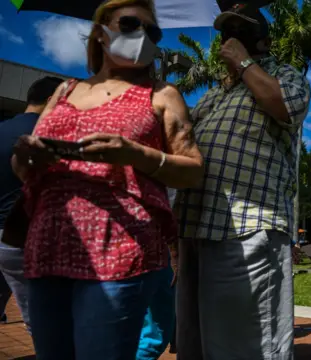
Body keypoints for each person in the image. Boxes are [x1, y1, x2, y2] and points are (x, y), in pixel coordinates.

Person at [10, 0, 204, 358]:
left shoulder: (161, 95)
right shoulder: (65, 90)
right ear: (101, 33)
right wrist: (26, 158)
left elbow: (193, 169)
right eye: (131, 24)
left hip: (117, 249)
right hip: (48, 246)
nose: (143, 36)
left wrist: (136, 154)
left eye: (153, 31)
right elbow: (23, 169)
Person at [173, 2, 311, 359]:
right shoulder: (215, 93)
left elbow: (286, 107)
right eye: (225, 32)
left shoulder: (286, 75)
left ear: (261, 42)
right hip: (195, 226)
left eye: (239, 31)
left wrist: (245, 63)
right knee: (197, 340)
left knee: (246, 345)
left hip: (248, 226)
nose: (228, 39)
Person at [0, 76, 64, 332]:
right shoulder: (50, 137)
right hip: (24, 239)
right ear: (52, 100)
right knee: (43, 321)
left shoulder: (3, 128)